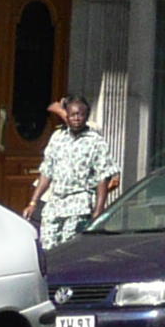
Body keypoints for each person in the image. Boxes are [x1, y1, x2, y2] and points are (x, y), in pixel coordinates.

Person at [27, 95, 120, 248]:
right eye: (72, 115)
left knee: (68, 247)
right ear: (67, 116)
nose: (76, 118)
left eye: (81, 115)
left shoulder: (95, 141)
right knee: (47, 247)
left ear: (86, 116)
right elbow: (46, 172)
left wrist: (98, 210)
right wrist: (33, 202)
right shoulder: (58, 138)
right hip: (54, 203)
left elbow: (102, 178)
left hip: (79, 204)